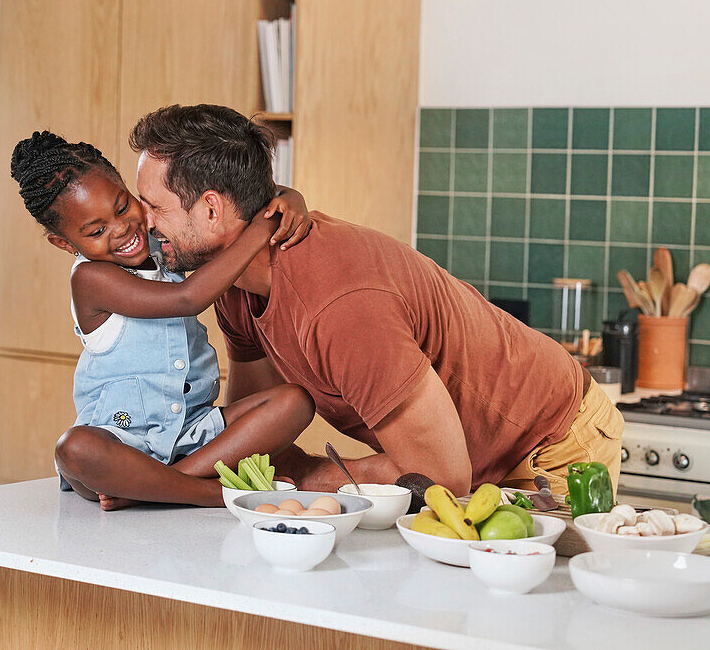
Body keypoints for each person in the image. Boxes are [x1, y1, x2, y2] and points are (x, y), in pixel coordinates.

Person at [132, 105, 624, 498]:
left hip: (551, 444)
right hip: (464, 460)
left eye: (155, 206)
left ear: (213, 210)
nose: (145, 224)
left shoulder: (339, 306)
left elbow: (439, 477)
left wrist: (307, 476)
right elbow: (252, 424)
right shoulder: (237, 287)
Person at [10, 130, 315, 509]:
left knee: (295, 402)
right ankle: (214, 495)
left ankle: (156, 488)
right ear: (65, 243)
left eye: (123, 207)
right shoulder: (90, 279)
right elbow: (187, 298)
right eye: (97, 230)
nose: (122, 230)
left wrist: (287, 199)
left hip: (194, 435)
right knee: (74, 448)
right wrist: (264, 227)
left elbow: (232, 201)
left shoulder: (159, 241)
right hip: (122, 444)